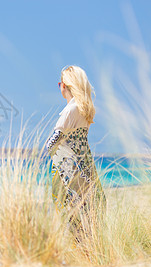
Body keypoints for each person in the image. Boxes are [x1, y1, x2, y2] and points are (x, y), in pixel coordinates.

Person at [45, 65, 106, 242]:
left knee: (69, 213)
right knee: (88, 209)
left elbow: (51, 144)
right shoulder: (86, 110)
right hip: (85, 164)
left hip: (68, 170)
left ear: (65, 85)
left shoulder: (69, 111)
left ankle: (78, 254)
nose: (59, 87)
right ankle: (89, 251)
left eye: (60, 83)